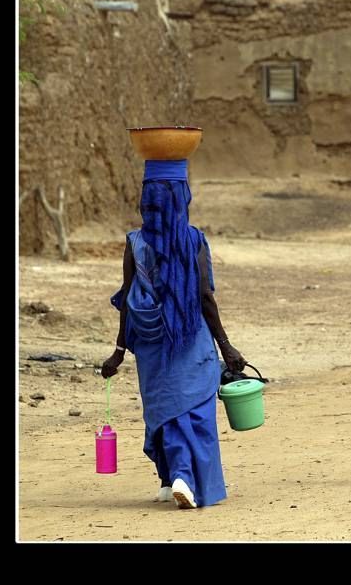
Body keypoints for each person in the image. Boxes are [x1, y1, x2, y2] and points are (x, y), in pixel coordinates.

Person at [100, 158, 246, 509]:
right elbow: (204, 297)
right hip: (190, 338)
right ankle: (184, 475)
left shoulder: (135, 243)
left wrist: (119, 350)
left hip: (149, 342)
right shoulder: (193, 239)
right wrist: (226, 346)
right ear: (183, 198)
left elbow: (127, 296)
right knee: (192, 409)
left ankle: (168, 479)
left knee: (164, 406)